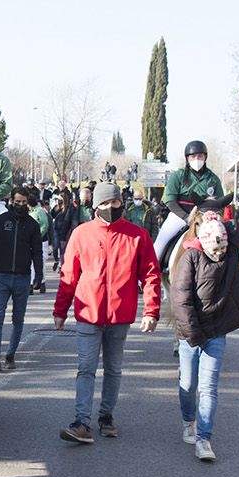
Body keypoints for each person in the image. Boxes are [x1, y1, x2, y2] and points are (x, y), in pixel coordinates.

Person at [52, 183, 161, 445]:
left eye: (114, 203)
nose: (110, 208)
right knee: (86, 368)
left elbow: (150, 274)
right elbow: (69, 276)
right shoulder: (81, 234)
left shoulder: (138, 236)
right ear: (95, 206)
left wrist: (151, 310)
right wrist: (60, 310)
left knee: (113, 369)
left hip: (119, 315)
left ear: (121, 203)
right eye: (104, 204)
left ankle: (106, 417)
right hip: (88, 313)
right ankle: (82, 422)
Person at [169, 199, 239, 462]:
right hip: (190, 334)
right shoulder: (190, 256)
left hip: (216, 333)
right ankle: (187, 421)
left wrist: (221, 216)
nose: (218, 245)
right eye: (213, 239)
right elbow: (180, 300)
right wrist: (193, 335)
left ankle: (204, 439)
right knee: (188, 383)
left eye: (222, 239)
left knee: (209, 387)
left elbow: (234, 231)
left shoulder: (230, 255)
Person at [0, 190, 45, 372]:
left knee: (18, 319)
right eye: (17, 201)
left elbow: (37, 251)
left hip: (22, 278)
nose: (20, 205)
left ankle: (10, 355)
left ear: (28, 202)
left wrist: (39, 275)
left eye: (24, 202)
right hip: (1, 277)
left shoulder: (32, 225)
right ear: (11, 200)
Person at [156, 140, 224, 263]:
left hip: (205, 219)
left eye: (200, 156)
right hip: (179, 216)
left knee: (226, 241)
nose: (197, 159)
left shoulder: (213, 179)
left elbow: (220, 204)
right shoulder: (177, 176)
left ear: (205, 157)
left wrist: (213, 217)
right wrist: (187, 218)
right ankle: (152, 274)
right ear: (187, 158)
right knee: (159, 244)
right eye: (193, 156)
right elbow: (170, 200)